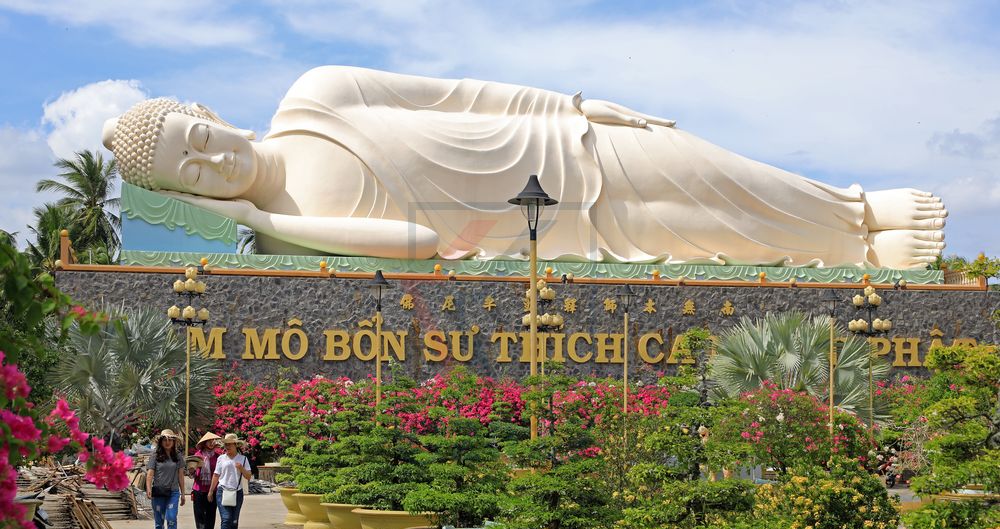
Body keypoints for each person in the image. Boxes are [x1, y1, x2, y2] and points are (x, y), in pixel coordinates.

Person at [102, 66, 947, 269]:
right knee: (718, 239)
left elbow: (463, 97)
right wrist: (265, 221)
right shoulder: (295, 228)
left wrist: (569, 107)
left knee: (717, 175)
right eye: (197, 173)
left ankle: (856, 204)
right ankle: (861, 254)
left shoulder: (316, 95)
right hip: (555, 228)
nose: (215, 159)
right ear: (191, 195)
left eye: (197, 137)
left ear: (205, 114)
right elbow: (414, 242)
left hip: (559, 150)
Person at [208, 433, 252, 529]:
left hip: (237, 492)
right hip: (222, 491)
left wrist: (241, 468)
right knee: (226, 518)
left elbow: (248, 476)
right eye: (225, 445)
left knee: (234, 520)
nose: (227, 447)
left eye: (229, 445)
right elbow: (216, 475)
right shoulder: (221, 458)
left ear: (235, 445)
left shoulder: (243, 459)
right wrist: (211, 491)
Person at [145, 429, 186, 529]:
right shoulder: (155, 456)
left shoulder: (178, 456)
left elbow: (180, 475)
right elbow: (150, 474)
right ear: (161, 441)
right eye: (165, 440)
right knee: (159, 521)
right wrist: (148, 488)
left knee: (171, 517)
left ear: (174, 442)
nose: (167, 442)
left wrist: (183, 493)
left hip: (173, 492)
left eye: (170, 440)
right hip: (158, 492)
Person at [190, 431, 222, 529]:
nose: (211, 442)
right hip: (198, 489)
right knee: (199, 515)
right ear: (204, 443)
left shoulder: (218, 457)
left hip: (213, 489)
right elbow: (192, 473)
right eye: (209, 441)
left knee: (211, 514)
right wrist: (192, 470)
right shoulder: (197, 455)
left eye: (212, 441)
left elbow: (219, 473)